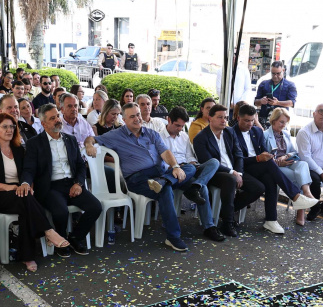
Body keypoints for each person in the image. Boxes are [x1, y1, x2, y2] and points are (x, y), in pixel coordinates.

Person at [84, 103, 200, 252]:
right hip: (137, 179)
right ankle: (173, 237)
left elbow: (165, 152)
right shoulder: (116, 135)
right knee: (165, 190)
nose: (137, 118)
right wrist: (89, 145)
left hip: (160, 175)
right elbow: (91, 138)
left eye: (138, 114)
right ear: (124, 119)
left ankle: (164, 181)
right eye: (132, 116)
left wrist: (176, 166)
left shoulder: (152, 134)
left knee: (190, 168)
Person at [0, 112, 71, 272]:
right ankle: (48, 232)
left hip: (19, 192)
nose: (9, 130)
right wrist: (7, 187)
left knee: (26, 202)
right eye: (5, 127)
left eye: (12, 127)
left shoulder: (19, 149)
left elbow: (28, 173)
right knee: (26, 200)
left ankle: (29, 254)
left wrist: (29, 187)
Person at [23, 104, 101, 256]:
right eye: (52, 118)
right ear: (44, 124)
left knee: (95, 207)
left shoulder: (70, 139)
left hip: (72, 184)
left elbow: (80, 165)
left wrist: (78, 184)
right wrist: (25, 183)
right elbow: (29, 168)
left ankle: (75, 237)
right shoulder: (35, 143)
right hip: (50, 187)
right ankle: (61, 239)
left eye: (57, 116)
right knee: (61, 211)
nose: (57, 120)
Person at [231, 104, 318, 234]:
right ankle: (295, 196)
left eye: (252, 120)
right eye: (246, 120)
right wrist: (258, 159)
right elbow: (235, 159)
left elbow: (263, 152)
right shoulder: (231, 133)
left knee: (270, 177)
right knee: (268, 165)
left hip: (259, 166)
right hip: (242, 168)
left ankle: (271, 220)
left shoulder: (256, 131)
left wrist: (269, 157)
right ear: (238, 118)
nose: (250, 124)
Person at [191, 104, 265, 237]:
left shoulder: (230, 132)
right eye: (220, 117)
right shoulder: (201, 138)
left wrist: (239, 173)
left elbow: (238, 155)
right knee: (230, 179)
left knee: (258, 187)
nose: (223, 120)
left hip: (234, 171)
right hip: (214, 173)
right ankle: (227, 223)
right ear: (210, 118)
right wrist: (232, 173)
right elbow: (208, 162)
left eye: (225, 117)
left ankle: (224, 212)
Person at [156, 106, 225, 242]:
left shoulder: (184, 136)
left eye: (182, 126)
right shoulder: (158, 137)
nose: (180, 129)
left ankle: (196, 185)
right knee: (203, 189)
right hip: (172, 172)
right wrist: (175, 166)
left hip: (189, 169)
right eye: (177, 125)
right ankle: (209, 226)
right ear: (169, 120)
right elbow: (158, 162)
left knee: (214, 162)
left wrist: (192, 163)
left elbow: (189, 156)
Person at [263, 107, 315, 226]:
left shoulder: (286, 134)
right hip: (276, 167)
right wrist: (278, 162)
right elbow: (264, 156)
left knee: (303, 164)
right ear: (274, 120)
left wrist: (286, 156)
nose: (284, 125)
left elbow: (294, 152)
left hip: (288, 162)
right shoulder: (265, 135)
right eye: (281, 122)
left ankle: (306, 192)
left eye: (285, 122)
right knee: (298, 177)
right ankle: (301, 212)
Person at [253, 61, 297, 127]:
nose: (275, 76)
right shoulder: (263, 84)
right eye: (273, 73)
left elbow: (292, 103)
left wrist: (278, 103)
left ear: (283, 70)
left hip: (280, 119)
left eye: (278, 73)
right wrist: (261, 101)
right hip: (264, 118)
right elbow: (256, 102)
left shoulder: (290, 85)